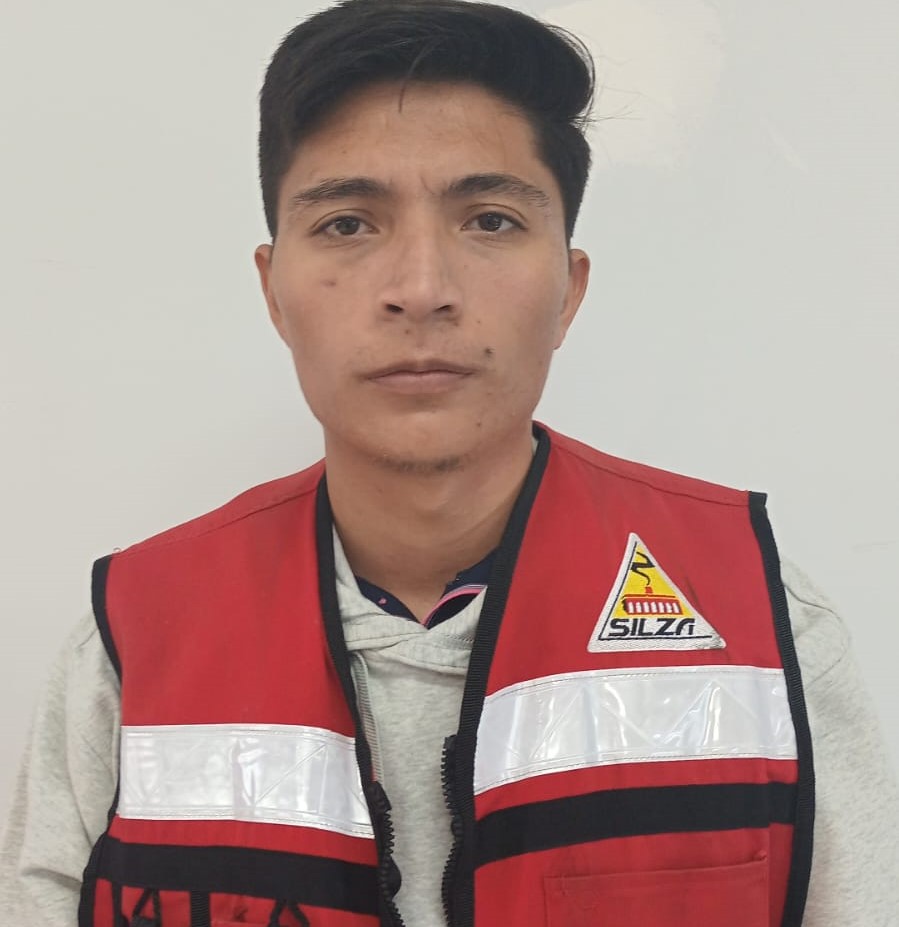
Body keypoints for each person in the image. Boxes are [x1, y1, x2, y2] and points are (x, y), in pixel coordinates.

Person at [1, 0, 896, 924]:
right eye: (347, 223)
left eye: (491, 220)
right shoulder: (128, 647)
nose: (421, 288)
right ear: (273, 291)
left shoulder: (762, 626)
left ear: (568, 289)